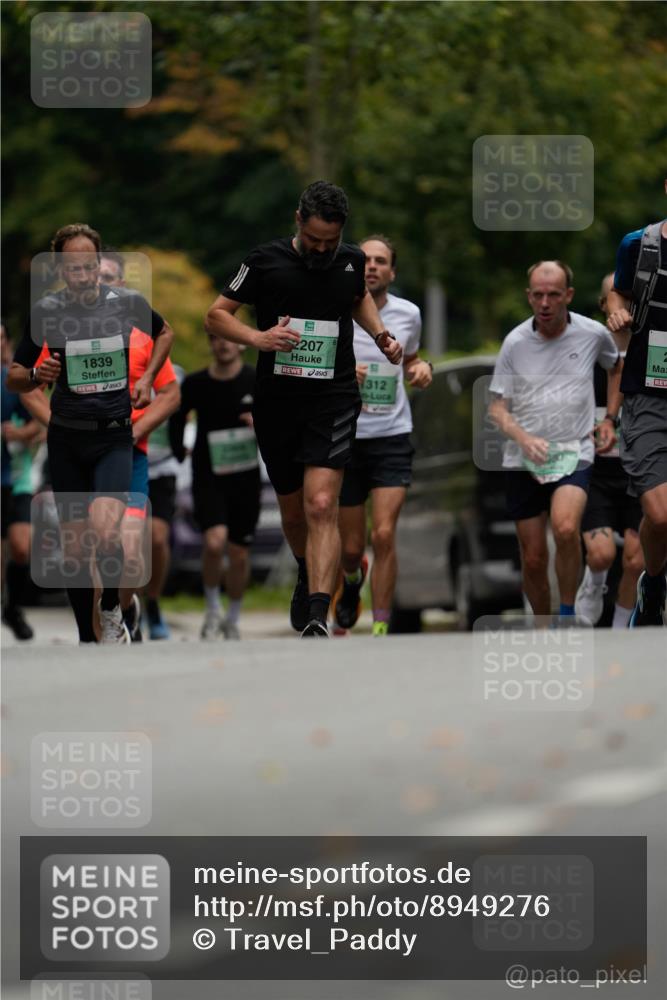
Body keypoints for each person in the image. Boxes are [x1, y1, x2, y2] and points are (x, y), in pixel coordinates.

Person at [205, 181, 402, 637]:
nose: (321, 250)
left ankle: (317, 612)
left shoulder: (351, 260)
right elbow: (216, 315)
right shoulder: (263, 261)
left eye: (329, 243)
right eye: (314, 241)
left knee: (320, 504)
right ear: (298, 220)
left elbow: (358, 298)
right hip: (276, 403)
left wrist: (380, 335)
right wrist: (258, 338)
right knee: (294, 513)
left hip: (332, 398)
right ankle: (304, 568)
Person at [7, 223, 174, 644]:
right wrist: (34, 374)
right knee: (78, 550)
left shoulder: (127, 303)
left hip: (114, 436)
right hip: (66, 439)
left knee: (106, 531)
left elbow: (165, 332)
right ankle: (87, 637)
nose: (81, 274)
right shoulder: (47, 311)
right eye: (72, 267)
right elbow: (14, 377)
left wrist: (148, 377)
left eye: (87, 266)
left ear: (98, 263)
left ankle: (113, 606)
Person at [489, 261, 621, 618]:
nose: (545, 303)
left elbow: (616, 366)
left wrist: (609, 417)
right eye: (538, 295)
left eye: (553, 295)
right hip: (523, 456)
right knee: (532, 558)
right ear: (528, 296)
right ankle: (544, 625)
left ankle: (567, 614)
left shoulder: (592, 334)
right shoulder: (515, 342)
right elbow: (497, 408)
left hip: (572, 450)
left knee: (565, 528)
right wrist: (523, 437)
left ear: (569, 296)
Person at [332, 235, 432, 636]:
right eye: (366, 260)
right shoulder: (337, 305)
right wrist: (344, 372)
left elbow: (411, 359)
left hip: (392, 433)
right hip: (347, 436)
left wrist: (423, 369)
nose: (372, 266)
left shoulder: (409, 313)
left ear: (392, 271)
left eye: (380, 261)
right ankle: (353, 581)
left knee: (385, 532)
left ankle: (380, 626)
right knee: (353, 548)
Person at [97, 250, 180, 641]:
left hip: (131, 454)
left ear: (123, 287)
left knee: (130, 550)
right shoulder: (63, 332)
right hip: (84, 454)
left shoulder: (143, 338)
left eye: (109, 278)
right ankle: (108, 625)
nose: (100, 286)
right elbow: (31, 383)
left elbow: (171, 394)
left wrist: (137, 428)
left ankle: (127, 608)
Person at [170, 335, 259, 639]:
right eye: (216, 339)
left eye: (230, 339)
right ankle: (211, 610)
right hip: (208, 474)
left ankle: (232, 618)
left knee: (239, 554)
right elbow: (177, 416)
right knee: (213, 542)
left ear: (242, 344)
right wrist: (178, 448)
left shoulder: (255, 379)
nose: (223, 345)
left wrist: (258, 422)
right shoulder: (195, 384)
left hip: (245, 477)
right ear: (209, 344)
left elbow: (280, 420)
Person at [606, 185, 667, 626]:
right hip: (647, 393)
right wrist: (616, 312)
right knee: (659, 514)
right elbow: (618, 294)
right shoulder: (638, 245)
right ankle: (656, 577)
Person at [574, 274, 644, 627]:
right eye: (617, 298)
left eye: (632, 298)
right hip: (596, 473)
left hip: (641, 472)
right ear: (604, 305)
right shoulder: (586, 352)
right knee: (600, 555)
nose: (626, 307)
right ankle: (594, 584)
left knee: (636, 560)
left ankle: (620, 630)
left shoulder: (653, 350)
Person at [1, 321, 44, 640]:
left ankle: (12, 607)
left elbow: (39, 425)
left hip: (16, 478)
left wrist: (21, 433)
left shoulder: (11, 381)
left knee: (20, 548)